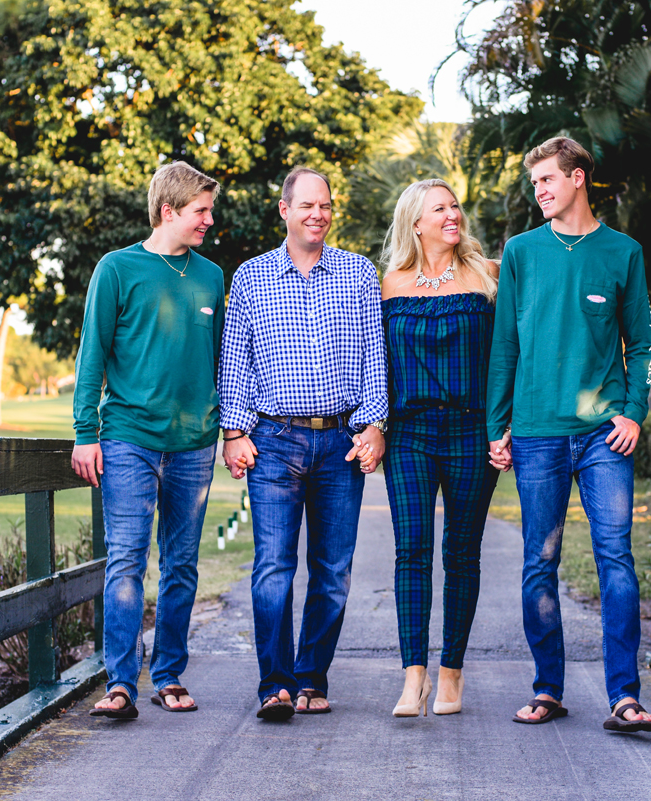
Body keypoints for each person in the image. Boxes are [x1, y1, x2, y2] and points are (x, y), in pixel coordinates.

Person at [487, 137, 651, 732]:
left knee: (616, 559)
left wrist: (634, 411)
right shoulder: (521, 252)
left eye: (548, 181)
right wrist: (497, 424)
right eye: (534, 183)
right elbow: (504, 343)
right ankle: (547, 689)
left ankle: (625, 696)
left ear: (579, 178)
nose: (539, 191)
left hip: (603, 437)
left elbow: (641, 344)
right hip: (536, 433)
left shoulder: (623, 253)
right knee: (540, 562)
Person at [218, 166, 388, 721]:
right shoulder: (251, 276)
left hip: (340, 441)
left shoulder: (358, 273)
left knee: (333, 571)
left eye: (326, 205)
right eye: (307, 205)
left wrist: (373, 425)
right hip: (274, 440)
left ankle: (312, 676)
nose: (318, 214)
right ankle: (276, 684)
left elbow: (373, 356)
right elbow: (235, 360)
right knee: (272, 566)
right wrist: (235, 431)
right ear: (285, 210)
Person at [72, 161, 224, 719]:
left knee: (182, 563)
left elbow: (220, 361)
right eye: (201, 210)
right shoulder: (117, 269)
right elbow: (93, 355)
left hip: (194, 443)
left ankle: (169, 673)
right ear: (168, 210)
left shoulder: (211, 276)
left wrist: (226, 427)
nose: (210, 219)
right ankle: (120, 683)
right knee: (127, 561)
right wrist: (85, 431)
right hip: (128, 438)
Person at [379, 179, 505, 718]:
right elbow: (375, 362)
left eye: (455, 206)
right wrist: (373, 426)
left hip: (471, 431)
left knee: (461, 554)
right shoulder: (391, 282)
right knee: (411, 552)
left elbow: (508, 357)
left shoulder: (488, 275)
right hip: (408, 433)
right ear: (416, 222)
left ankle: (451, 672)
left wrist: (506, 426)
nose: (453, 214)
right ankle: (414, 678)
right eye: (440, 208)